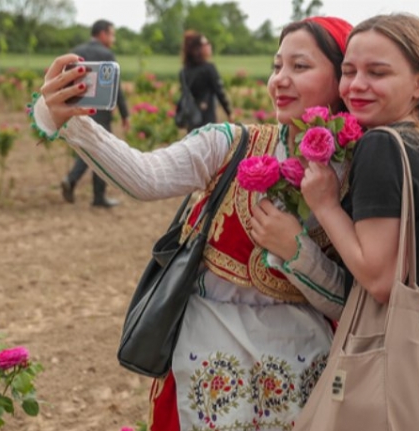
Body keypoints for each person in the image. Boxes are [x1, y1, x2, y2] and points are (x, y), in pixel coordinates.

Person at [31, 16, 353, 431]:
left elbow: (353, 301)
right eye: (277, 66)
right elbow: (147, 176)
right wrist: (69, 120)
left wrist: (298, 253)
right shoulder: (232, 144)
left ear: (342, 79)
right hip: (212, 348)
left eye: (300, 67)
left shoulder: (360, 174)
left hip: (304, 359)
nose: (280, 80)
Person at [296, 13, 419, 431]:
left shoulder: (383, 146)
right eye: (349, 71)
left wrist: (325, 203)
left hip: (411, 349)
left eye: (378, 72)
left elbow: (380, 278)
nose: (356, 85)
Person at [61, 19, 130, 208]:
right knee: (101, 152)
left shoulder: (76, 51)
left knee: (88, 148)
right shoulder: (106, 54)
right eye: (112, 34)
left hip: (78, 109)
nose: (113, 39)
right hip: (100, 112)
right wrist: (125, 114)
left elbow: (65, 80)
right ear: (102, 34)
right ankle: (98, 196)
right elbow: (115, 88)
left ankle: (72, 180)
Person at [178, 30, 233, 131]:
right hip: (207, 118)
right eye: (206, 43)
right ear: (198, 48)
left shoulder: (184, 71)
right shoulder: (208, 68)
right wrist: (229, 113)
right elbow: (219, 92)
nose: (209, 46)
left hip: (192, 119)